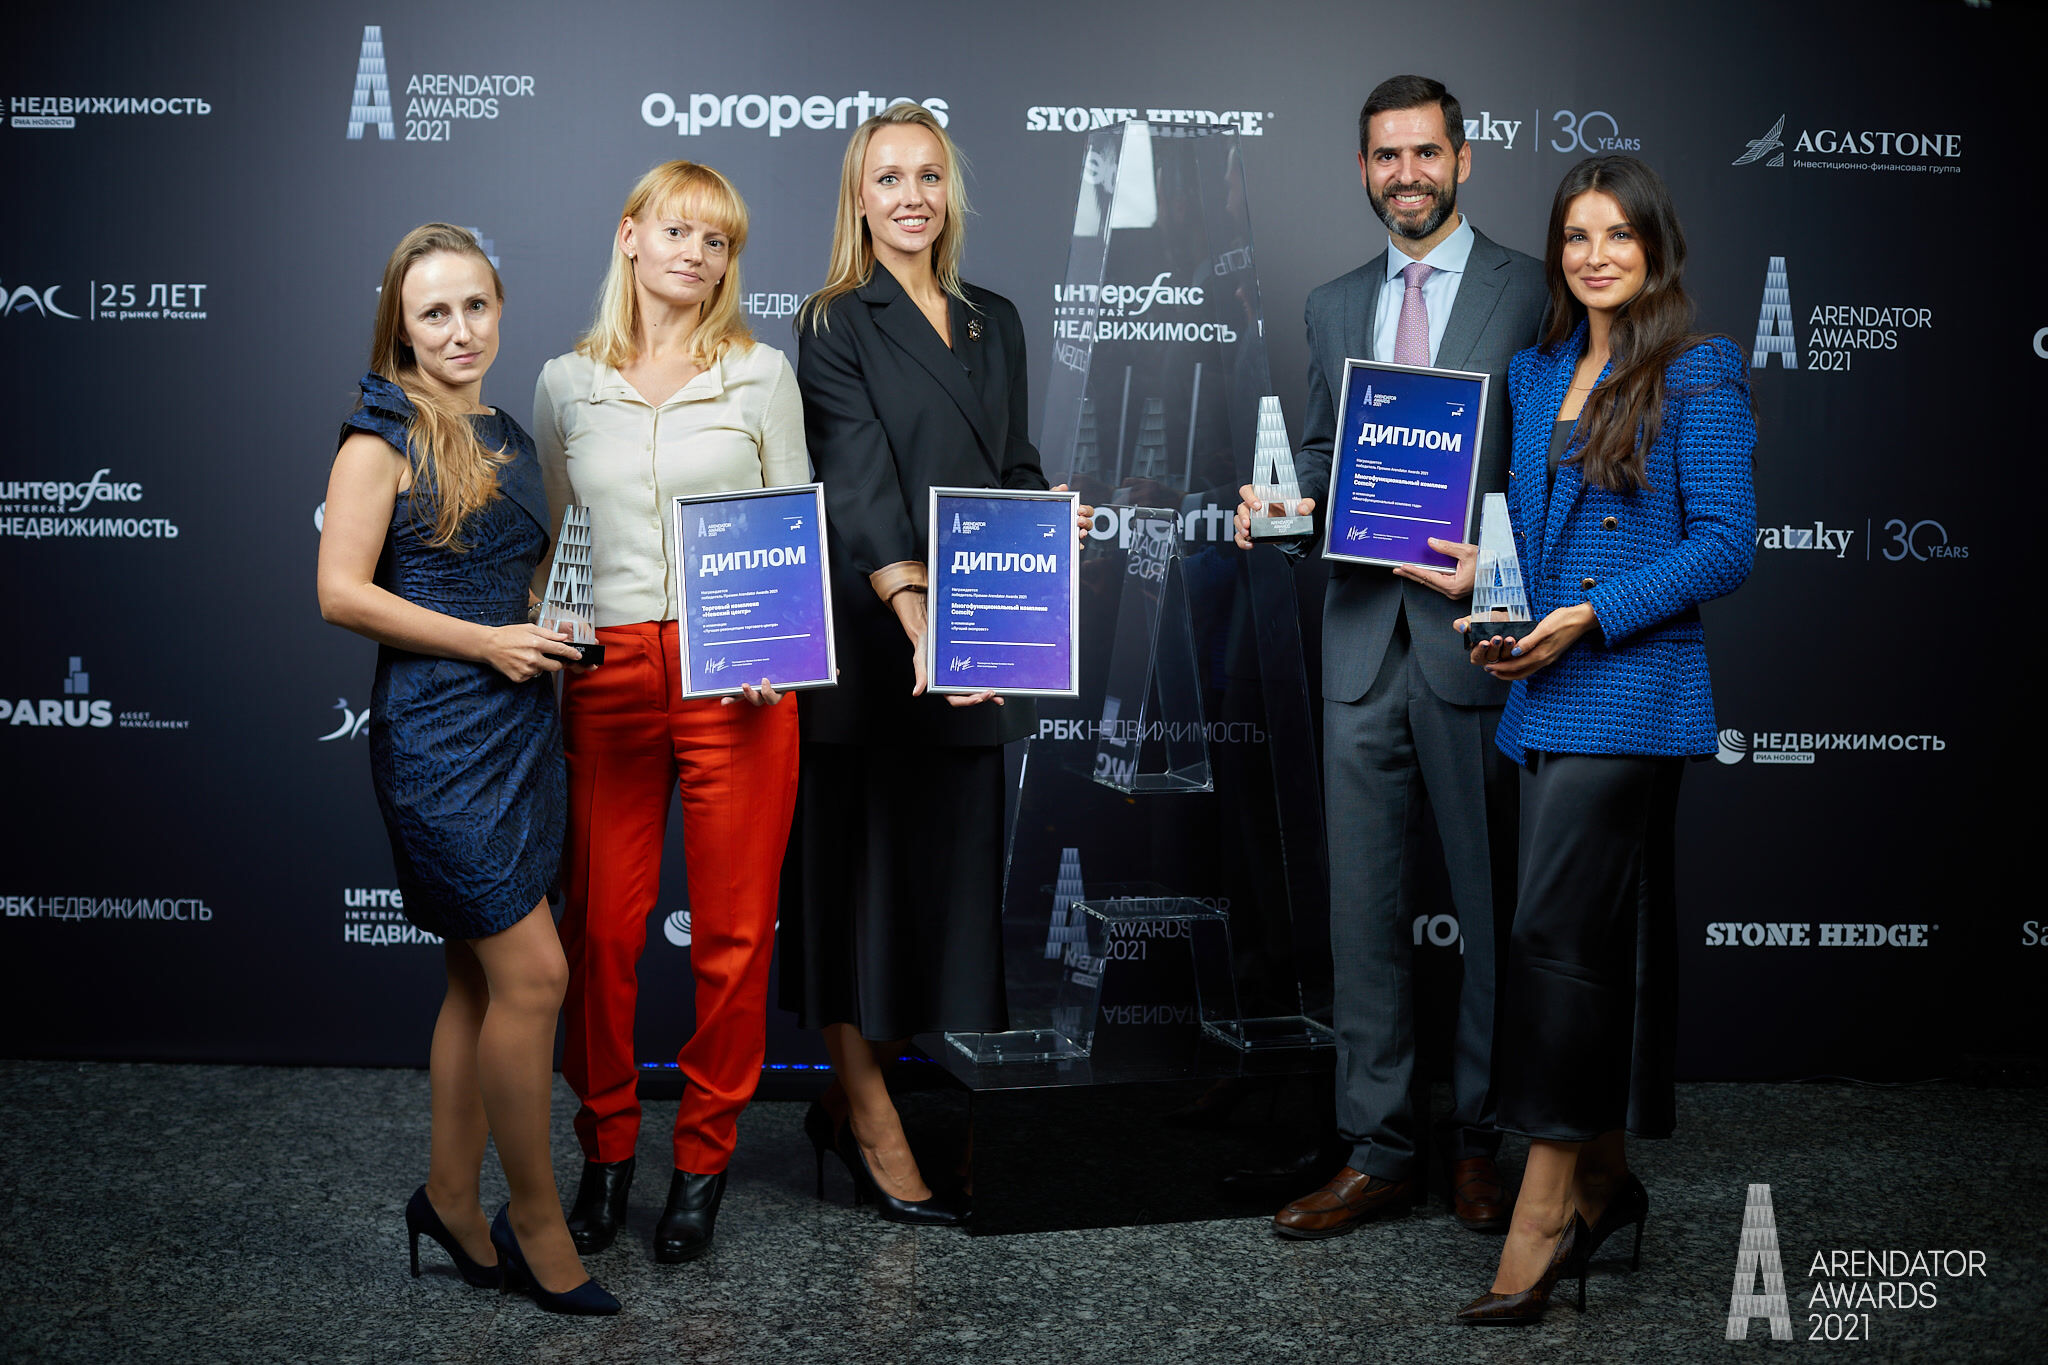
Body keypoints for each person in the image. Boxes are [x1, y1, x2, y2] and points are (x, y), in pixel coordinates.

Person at [1233, 75, 1546, 1237]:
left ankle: (1479, 1141)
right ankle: (1378, 1147)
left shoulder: (1533, 291)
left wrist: (1501, 569)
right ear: (1362, 169)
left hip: (1477, 642)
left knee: (1490, 911)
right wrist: (1279, 507)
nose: (1403, 173)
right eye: (1383, 155)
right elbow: (1326, 461)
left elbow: (1555, 467)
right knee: (1361, 917)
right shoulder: (1330, 305)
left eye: (1423, 152)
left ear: (1461, 160)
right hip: (1359, 643)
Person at [1453, 155, 1756, 1324]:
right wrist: (1486, 588)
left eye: (1616, 235)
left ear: (1653, 248)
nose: (1593, 256)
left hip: (1628, 694)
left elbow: (1724, 544)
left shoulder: (1696, 369)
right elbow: (1534, 541)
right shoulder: (1534, 372)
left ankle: (1539, 1214)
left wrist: (1591, 614)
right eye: (1575, 237)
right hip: (1540, 693)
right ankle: (1605, 1183)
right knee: (1581, 945)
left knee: (1554, 943)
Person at [782, 102, 1087, 1224]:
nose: (909, 195)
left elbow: (1011, 464)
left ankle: (860, 1098)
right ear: (858, 199)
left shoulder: (994, 318)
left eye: (927, 175)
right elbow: (859, 491)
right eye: (887, 177)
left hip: (976, 652)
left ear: (949, 190)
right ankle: (869, 1119)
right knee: (861, 900)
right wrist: (921, 627)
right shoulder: (833, 319)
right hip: (877, 658)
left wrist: (1046, 522)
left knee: (939, 907)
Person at [316, 223, 617, 1316]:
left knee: (476, 980)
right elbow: (340, 592)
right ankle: (534, 1221)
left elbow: (510, 579)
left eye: (475, 306)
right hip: (439, 740)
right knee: (534, 976)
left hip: (520, 728)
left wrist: (549, 622)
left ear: (498, 310)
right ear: (400, 325)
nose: (459, 330)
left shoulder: (504, 431)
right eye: (434, 312)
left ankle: (449, 1196)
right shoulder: (380, 436)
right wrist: (488, 641)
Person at [535, 161, 807, 1265]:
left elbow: (792, 526)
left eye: (718, 240)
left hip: (736, 676)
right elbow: (561, 539)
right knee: (599, 930)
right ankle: (604, 1149)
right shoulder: (565, 382)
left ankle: (702, 1161)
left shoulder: (761, 373)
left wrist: (778, 646)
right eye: (678, 232)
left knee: (734, 938)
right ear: (630, 237)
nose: (696, 254)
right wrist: (551, 640)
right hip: (607, 670)